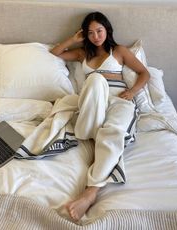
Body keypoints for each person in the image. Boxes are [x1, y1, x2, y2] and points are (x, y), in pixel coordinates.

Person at [51, 11, 150, 221]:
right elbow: (55, 53)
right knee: (95, 81)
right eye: (91, 32)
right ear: (85, 35)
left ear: (107, 30)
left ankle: (90, 192)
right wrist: (73, 39)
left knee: (112, 132)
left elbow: (144, 73)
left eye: (99, 31)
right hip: (92, 102)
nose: (96, 36)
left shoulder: (120, 51)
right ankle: (91, 132)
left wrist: (132, 92)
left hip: (118, 99)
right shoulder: (82, 54)